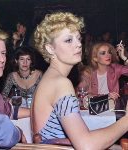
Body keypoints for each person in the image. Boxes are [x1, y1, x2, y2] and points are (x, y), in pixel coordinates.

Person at [32, 12, 128, 150]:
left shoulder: (48, 79)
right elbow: (86, 146)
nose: (78, 44)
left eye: (78, 38)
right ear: (50, 48)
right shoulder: (60, 83)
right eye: (68, 40)